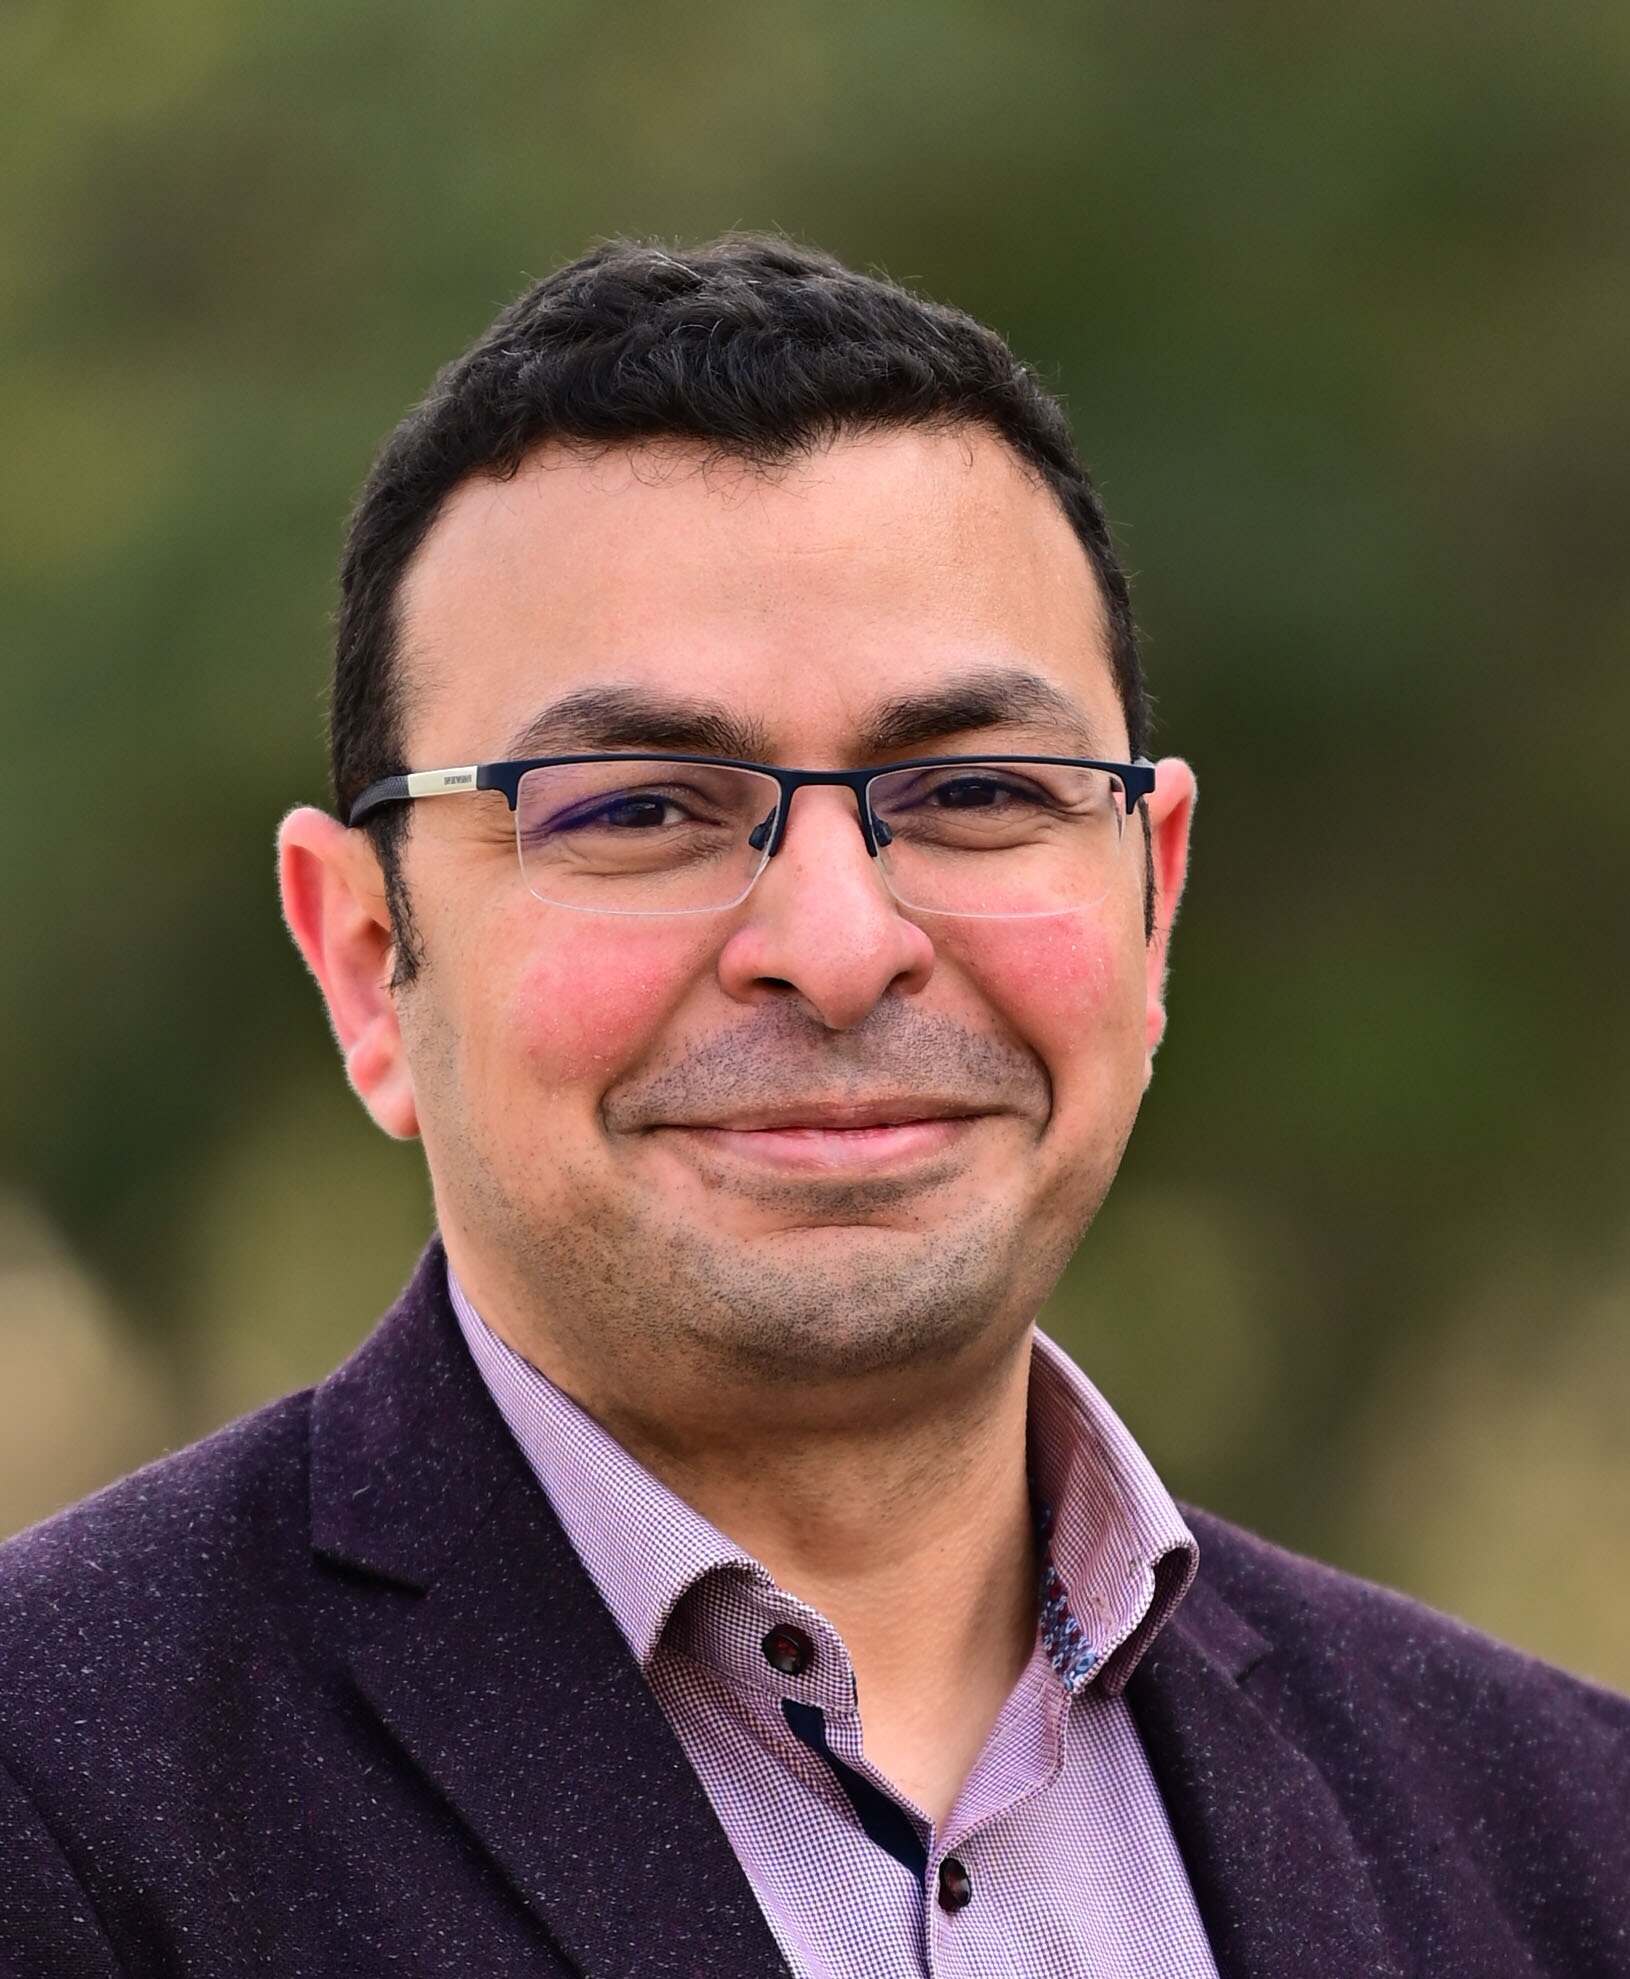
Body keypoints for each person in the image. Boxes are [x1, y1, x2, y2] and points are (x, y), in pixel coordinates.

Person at [0, 236, 1625, 1979]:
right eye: (635, 812)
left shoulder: (1562, 1838)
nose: (839, 951)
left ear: (1151, 899)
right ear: (366, 957)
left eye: (980, 790)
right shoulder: (58, 1802)